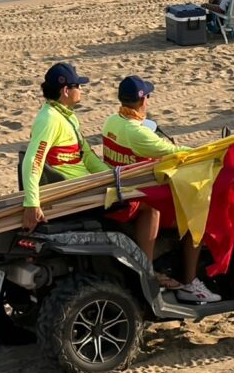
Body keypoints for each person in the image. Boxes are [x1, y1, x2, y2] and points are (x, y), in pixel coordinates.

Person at [102, 76, 221, 303]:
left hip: (121, 186)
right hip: (133, 196)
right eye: (147, 96)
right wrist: (215, 153)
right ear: (142, 100)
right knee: (196, 215)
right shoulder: (138, 133)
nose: (148, 101)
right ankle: (188, 282)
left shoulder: (112, 121)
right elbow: (178, 153)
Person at [21, 62, 108, 232]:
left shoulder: (66, 115)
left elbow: (87, 155)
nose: (81, 89)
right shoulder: (49, 120)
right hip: (73, 193)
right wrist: (32, 203)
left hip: (86, 186)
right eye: (78, 86)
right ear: (66, 90)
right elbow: (33, 161)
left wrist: (113, 177)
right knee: (146, 209)